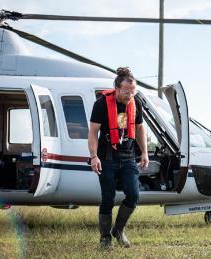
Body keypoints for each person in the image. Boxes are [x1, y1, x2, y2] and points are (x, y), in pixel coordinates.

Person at [88, 67, 149, 249]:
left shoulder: (135, 102)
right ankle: (105, 238)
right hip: (106, 157)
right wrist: (93, 157)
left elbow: (139, 128)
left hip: (128, 156)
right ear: (116, 87)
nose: (129, 96)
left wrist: (144, 152)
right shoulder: (101, 104)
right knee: (108, 197)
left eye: (133, 92)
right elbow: (93, 132)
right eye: (125, 92)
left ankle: (118, 230)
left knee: (133, 194)